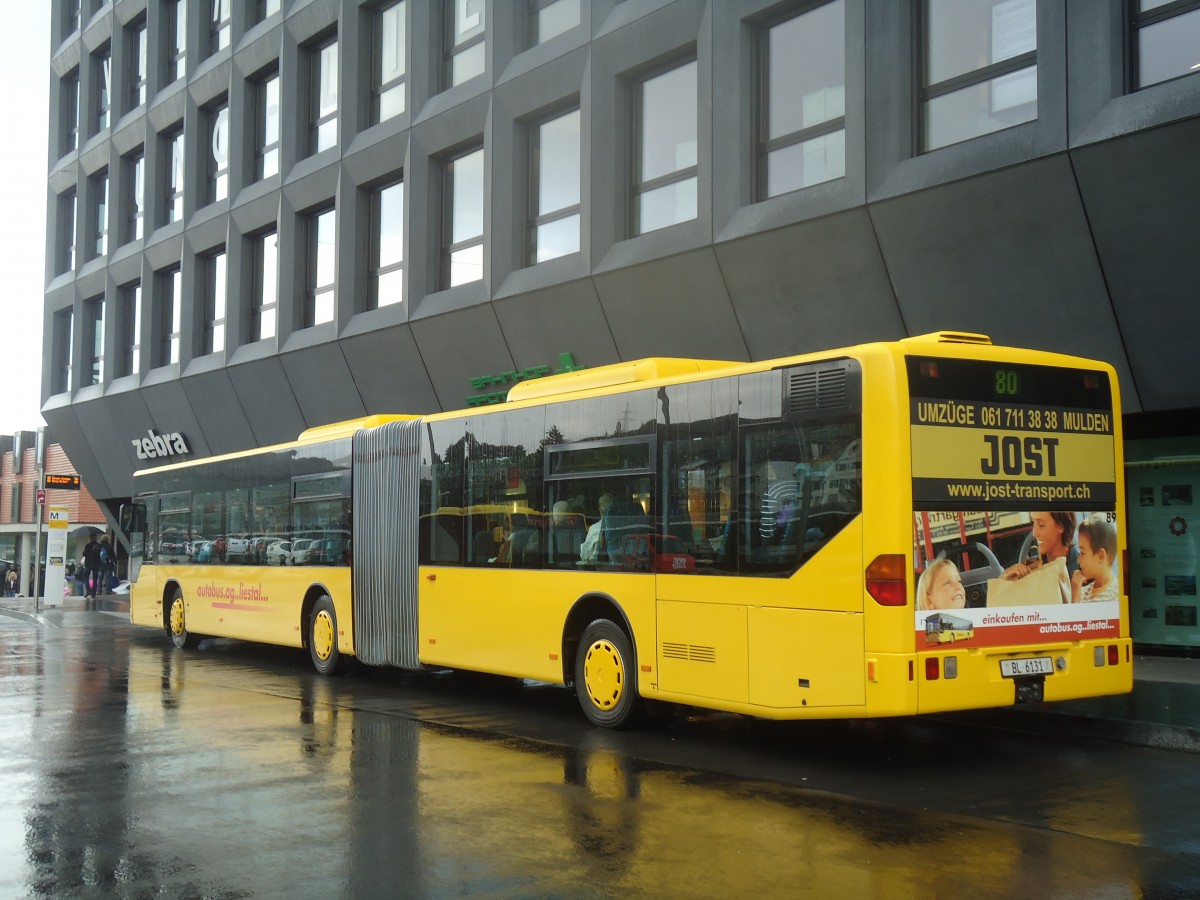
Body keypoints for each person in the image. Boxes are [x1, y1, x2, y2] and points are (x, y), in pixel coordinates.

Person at [1072, 515, 1119, 604]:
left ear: (1101, 556)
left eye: (1082, 553)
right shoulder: (1080, 593)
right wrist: (1075, 598)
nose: (1078, 560)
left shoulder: (1117, 596)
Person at [579, 494, 613, 564]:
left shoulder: (594, 528)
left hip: (598, 566)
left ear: (600, 510)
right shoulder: (625, 527)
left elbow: (584, 555)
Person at [81, 533, 103, 598]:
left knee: (86, 577)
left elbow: (85, 554)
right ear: (96, 538)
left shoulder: (88, 545)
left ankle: (88, 590)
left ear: (90, 538)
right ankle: (93, 594)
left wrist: (84, 553)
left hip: (89, 563)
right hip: (97, 563)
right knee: (95, 578)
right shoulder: (99, 545)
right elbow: (99, 552)